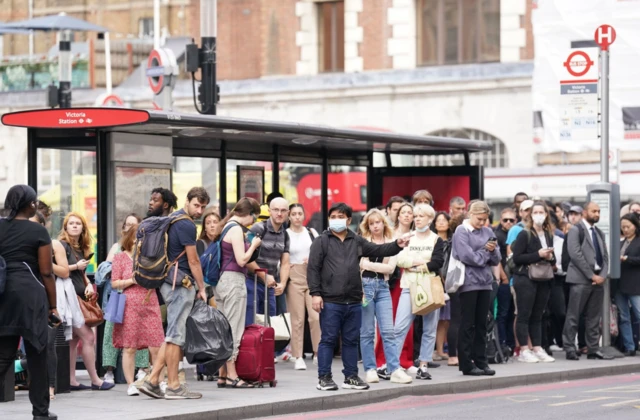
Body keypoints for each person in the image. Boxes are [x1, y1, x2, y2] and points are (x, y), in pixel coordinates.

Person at [308, 203, 410, 391]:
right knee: (328, 339)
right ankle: (324, 378)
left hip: (353, 299)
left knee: (351, 340)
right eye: (333, 216)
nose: (337, 220)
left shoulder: (356, 240)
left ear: (348, 220)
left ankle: (351, 377)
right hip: (330, 300)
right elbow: (313, 269)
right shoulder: (321, 241)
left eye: (341, 216)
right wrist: (315, 294)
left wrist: (397, 245)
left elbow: (378, 250)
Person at [139, 187, 210, 400]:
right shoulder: (186, 224)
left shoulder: (172, 219)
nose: (199, 211)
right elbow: (193, 260)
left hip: (167, 282)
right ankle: (172, 386)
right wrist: (202, 287)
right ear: (187, 201)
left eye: (203, 207)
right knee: (175, 337)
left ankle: (153, 382)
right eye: (196, 205)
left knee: (172, 335)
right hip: (180, 284)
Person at [0, 185, 59, 420]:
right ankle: (40, 413)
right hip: (31, 297)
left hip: (3, 293)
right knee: (37, 353)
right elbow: (46, 272)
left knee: (4, 354)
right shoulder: (38, 231)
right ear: (31, 205)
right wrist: (53, 306)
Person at [58, 212, 115, 391]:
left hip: (79, 298)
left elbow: (80, 274)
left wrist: (89, 283)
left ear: (83, 227)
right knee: (88, 337)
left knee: (74, 340)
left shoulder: (79, 248)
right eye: (71, 223)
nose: (74, 226)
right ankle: (96, 380)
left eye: (78, 223)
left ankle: (71, 380)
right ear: (65, 227)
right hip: (68, 299)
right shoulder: (62, 245)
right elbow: (57, 269)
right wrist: (77, 266)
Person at [358, 209, 413, 384]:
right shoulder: (363, 242)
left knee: (389, 331)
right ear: (368, 226)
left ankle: (394, 368)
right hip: (365, 287)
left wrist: (367, 264)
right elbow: (359, 265)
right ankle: (370, 369)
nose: (375, 226)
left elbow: (390, 269)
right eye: (371, 223)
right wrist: (365, 265)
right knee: (367, 332)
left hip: (383, 287)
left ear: (383, 223)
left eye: (378, 222)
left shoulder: (391, 242)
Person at [213, 198, 262, 388]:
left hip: (222, 281)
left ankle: (222, 374)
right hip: (233, 281)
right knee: (234, 328)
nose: (254, 221)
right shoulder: (235, 229)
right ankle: (233, 375)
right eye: (254, 216)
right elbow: (242, 260)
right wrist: (255, 245)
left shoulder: (226, 227)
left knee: (225, 328)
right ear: (248, 213)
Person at [111, 224, 164, 396]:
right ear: (131, 238)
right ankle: (130, 383)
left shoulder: (152, 257)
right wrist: (130, 280)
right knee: (130, 347)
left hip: (150, 301)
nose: (140, 241)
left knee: (156, 344)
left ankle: (159, 381)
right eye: (137, 237)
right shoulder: (120, 257)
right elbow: (114, 283)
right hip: (130, 303)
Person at [395, 204, 445, 380]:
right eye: (415, 216)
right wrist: (422, 263)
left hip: (429, 287)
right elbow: (400, 259)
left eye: (421, 216)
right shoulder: (407, 237)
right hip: (409, 286)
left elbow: (437, 262)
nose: (416, 219)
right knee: (400, 327)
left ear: (430, 219)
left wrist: (414, 264)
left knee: (429, 328)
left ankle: (424, 365)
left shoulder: (436, 239)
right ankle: (394, 365)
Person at [452, 201, 501, 376]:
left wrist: (491, 251)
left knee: (482, 324)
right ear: (471, 214)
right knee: (467, 324)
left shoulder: (488, 231)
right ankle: (466, 363)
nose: (482, 223)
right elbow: (467, 257)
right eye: (479, 219)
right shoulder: (461, 231)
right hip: (468, 282)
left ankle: (482, 361)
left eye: (485, 219)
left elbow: (496, 258)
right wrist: (485, 252)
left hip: (485, 282)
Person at [102, 214, 149, 385]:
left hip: (138, 296)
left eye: (133, 225)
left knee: (139, 332)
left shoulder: (144, 249)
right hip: (118, 295)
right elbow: (105, 269)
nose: (129, 228)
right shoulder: (117, 247)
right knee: (112, 332)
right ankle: (109, 370)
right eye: (127, 225)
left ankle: (142, 369)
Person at [563, 202, 612, 361]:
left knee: (594, 317)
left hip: (598, 280)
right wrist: (592, 275)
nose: (597, 214)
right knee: (574, 315)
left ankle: (593, 349)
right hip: (580, 279)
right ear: (585, 212)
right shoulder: (576, 230)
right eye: (594, 211)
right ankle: (570, 347)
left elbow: (605, 256)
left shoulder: (599, 232)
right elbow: (575, 255)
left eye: (598, 211)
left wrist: (603, 275)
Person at [30, 211, 70, 401]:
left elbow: (64, 271)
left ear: (43, 225)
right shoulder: (22, 242)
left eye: (34, 224)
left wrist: (44, 262)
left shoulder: (53, 244)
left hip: (51, 296)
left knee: (49, 344)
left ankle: (50, 386)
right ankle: (33, 384)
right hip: (28, 297)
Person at [511, 202, 556, 363]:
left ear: (546, 214)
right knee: (524, 314)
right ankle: (524, 349)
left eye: (541, 212)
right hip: (525, 278)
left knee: (538, 315)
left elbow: (553, 258)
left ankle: (537, 347)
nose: (538, 215)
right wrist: (538, 254)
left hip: (543, 277)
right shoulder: (525, 234)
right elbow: (517, 258)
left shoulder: (548, 233)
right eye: (535, 212)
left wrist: (550, 257)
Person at [283, 204, 320, 370]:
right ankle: (297, 355)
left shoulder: (311, 233)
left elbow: (321, 253)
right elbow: (279, 257)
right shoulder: (285, 234)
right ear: (289, 216)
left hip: (311, 276)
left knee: (316, 317)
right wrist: (284, 266)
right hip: (294, 277)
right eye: (294, 214)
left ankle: (318, 352)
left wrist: (312, 260)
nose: (297, 217)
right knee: (297, 319)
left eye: (300, 213)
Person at [248, 197, 291, 327]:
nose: (279, 213)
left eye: (283, 210)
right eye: (276, 210)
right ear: (269, 211)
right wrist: (263, 276)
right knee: (252, 323)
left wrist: (282, 284)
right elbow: (247, 258)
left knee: (269, 324)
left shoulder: (285, 234)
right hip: (252, 282)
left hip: (270, 285)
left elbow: (285, 263)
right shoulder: (258, 229)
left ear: (287, 213)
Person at [614, 213, 640, 356]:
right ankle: (630, 346)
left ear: (635, 226)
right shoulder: (620, 242)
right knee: (623, 317)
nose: (625, 229)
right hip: (620, 284)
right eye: (623, 227)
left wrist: (627, 258)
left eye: (628, 226)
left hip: (635, 284)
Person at [495, 208, 516, 348]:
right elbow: (497, 259)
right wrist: (503, 278)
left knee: (512, 314)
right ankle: (503, 344)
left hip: (516, 279)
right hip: (504, 280)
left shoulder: (517, 233)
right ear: (500, 220)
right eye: (505, 220)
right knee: (503, 314)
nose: (508, 222)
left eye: (511, 220)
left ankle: (511, 344)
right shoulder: (497, 235)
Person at [432, 212, 452, 361]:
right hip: (435, 281)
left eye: (444, 220)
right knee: (436, 318)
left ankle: (443, 349)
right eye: (438, 220)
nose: (441, 223)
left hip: (451, 282)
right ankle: (436, 349)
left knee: (446, 319)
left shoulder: (453, 242)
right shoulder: (432, 240)